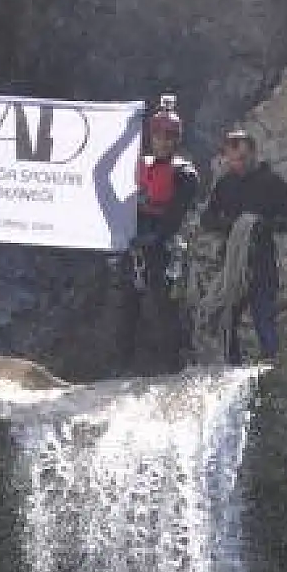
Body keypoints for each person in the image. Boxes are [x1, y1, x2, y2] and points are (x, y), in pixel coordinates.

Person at [200, 128, 287, 363]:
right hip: (233, 262)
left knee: (263, 313)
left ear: (254, 154)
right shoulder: (225, 184)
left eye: (242, 158)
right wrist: (230, 225)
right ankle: (231, 364)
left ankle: (270, 362)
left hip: (261, 258)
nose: (238, 164)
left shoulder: (272, 183)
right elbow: (207, 219)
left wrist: (262, 224)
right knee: (227, 315)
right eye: (232, 160)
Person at [118, 95, 200, 375]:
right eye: (158, 136)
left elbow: (175, 214)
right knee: (125, 304)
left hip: (163, 246)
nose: (163, 141)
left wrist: (154, 239)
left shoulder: (185, 174)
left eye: (169, 136)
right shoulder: (138, 166)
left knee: (164, 305)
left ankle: (171, 364)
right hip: (134, 240)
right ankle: (121, 361)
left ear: (177, 140)